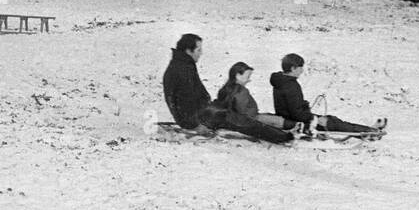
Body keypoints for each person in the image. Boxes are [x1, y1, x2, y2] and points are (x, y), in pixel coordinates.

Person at [162, 34, 294, 144]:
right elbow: (183, 102)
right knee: (239, 120)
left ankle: (279, 130)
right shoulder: (181, 70)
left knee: (235, 115)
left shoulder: (183, 64)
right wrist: (195, 125)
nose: (201, 53)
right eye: (198, 50)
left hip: (202, 111)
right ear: (188, 51)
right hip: (198, 117)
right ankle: (282, 137)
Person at [270, 53, 385, 135]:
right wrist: (314, 118)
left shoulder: (282, 81)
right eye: (300, 67)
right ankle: (369, 131)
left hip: (290, 118)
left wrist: (304, 106)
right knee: (332, 123)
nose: (302, 71)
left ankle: (367, 129)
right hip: (295, 122)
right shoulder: (290, 85)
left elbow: (291, 106)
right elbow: (295, 113)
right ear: (293, 68)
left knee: (331, 119)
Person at [215, 61, 301, 131]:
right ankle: (298, 127)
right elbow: (243, 112)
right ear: (238, 75)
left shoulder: (226, 88)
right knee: (278, 121)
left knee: (270, 116)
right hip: (249, 119)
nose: (249, 80)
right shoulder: (241, 91)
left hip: (237, 118)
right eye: (247, 76)